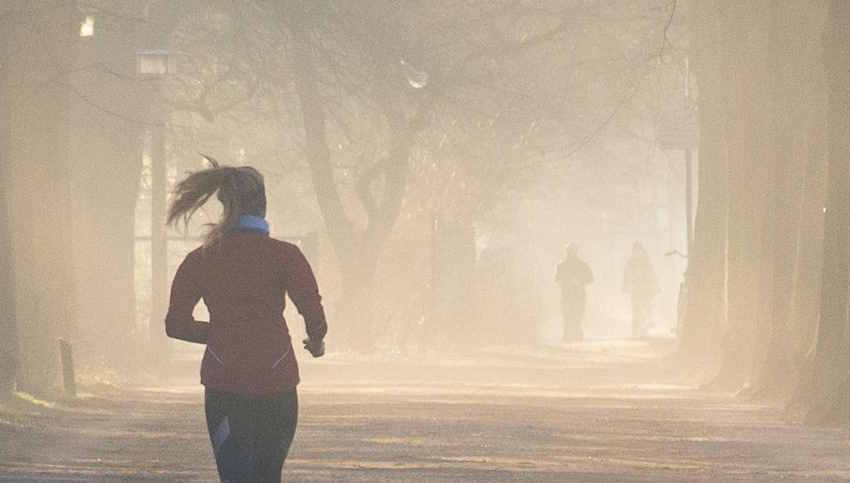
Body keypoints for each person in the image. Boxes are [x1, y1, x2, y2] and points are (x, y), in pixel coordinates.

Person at [164, 159, 327, 483]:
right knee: (268, 476)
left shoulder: (201, 259)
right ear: (263, 205)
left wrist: (221, 333)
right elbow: (313, 313)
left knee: (235, 476)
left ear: (224, 206)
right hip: (277, 382)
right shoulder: (286, 255)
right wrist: (316, 340)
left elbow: (176, 324)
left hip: (224, 385)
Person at [555, 243, 594, 342]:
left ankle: (574, 335)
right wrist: (566, 282)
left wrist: (579, 282)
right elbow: (557, 279)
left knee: (576, 315)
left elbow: (590, 278)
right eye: (569, 250)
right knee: (569, 315)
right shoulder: (562, 265)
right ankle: (569, 335)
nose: (571, 253)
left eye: (573, 250)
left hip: (577, 295)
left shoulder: (581, 265)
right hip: (568, 295)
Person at [623, 242, 659, 338]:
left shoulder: (645, 261)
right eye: (635, 250)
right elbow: (626, 275)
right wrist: (625, 286)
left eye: (637, 250)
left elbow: (652, 274)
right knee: (636, 310)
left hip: (646, 290)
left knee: (645, 310)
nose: (637, 252)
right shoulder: (632, 261)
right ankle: (636, 332)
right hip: (637, 289)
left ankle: (643, 330)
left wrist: (654, 287)